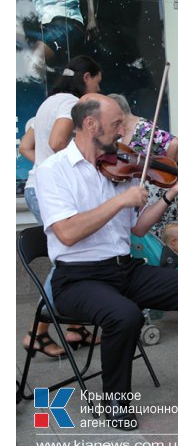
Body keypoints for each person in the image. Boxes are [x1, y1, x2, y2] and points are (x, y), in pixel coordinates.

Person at [35, 94, 178, 431]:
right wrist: (120, 201)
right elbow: (66, 233)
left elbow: (136, 227)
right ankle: (114, 403)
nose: (124, 131)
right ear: (90, 125)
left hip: (123, 267)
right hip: (77, 279)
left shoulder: (117, 167)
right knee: (125, 315)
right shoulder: (54, 171)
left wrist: (169, 195)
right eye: (117, 124)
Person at [20, 55, 103, 359]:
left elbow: (26, 147)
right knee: (69, 258)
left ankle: (76, 327)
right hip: (47, 192)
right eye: (97, 80)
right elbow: (57, 143)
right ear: (86, 78)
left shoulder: (49, 102)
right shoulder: (70, 103)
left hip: (35, 187)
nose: (97, 87)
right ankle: (38, 333)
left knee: (73, 256)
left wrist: (43, 168)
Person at [108, 93, 178, 239]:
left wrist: (161, 177)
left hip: (155, 194)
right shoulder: (119, 133)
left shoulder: (144, 129)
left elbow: (175, 144)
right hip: (138, 195)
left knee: (159, 241)